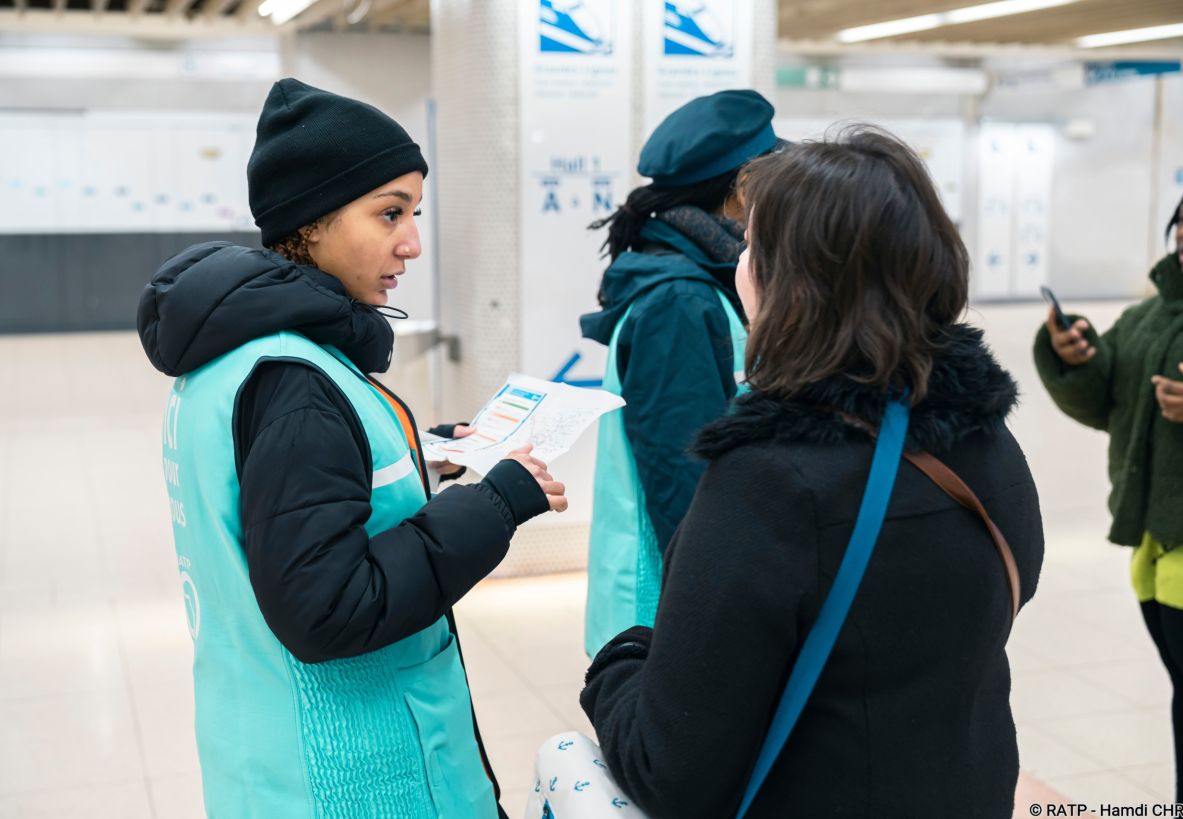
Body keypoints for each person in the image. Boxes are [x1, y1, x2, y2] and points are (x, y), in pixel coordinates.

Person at [577, 128, 1044, 817]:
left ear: (788, 283)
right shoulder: (988, 442)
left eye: (751, 245)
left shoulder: (768, 485)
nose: (739, 262)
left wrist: (618, 660)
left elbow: (669, 769)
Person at [137, 78, 567, 818]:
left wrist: (423, 455)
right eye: (389, 212)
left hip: (263, 752)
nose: (412, 242)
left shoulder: (236, 355)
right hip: (356, 777)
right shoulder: (295, 382)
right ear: (311, 223)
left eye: (414, 213)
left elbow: (279, 494)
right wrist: (494, 503)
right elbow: (329, 605)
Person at [581, 89, 783, 656]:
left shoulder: (698, 277)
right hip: (666, 611)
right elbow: (684, 481)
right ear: (743, 190)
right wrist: (727, 610)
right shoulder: (678, 302)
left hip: (683, 598)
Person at [1034, 192, 1183, 800]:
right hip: (1156, 546)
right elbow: (1106, 403)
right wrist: (1077, 357)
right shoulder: (1151, 317)